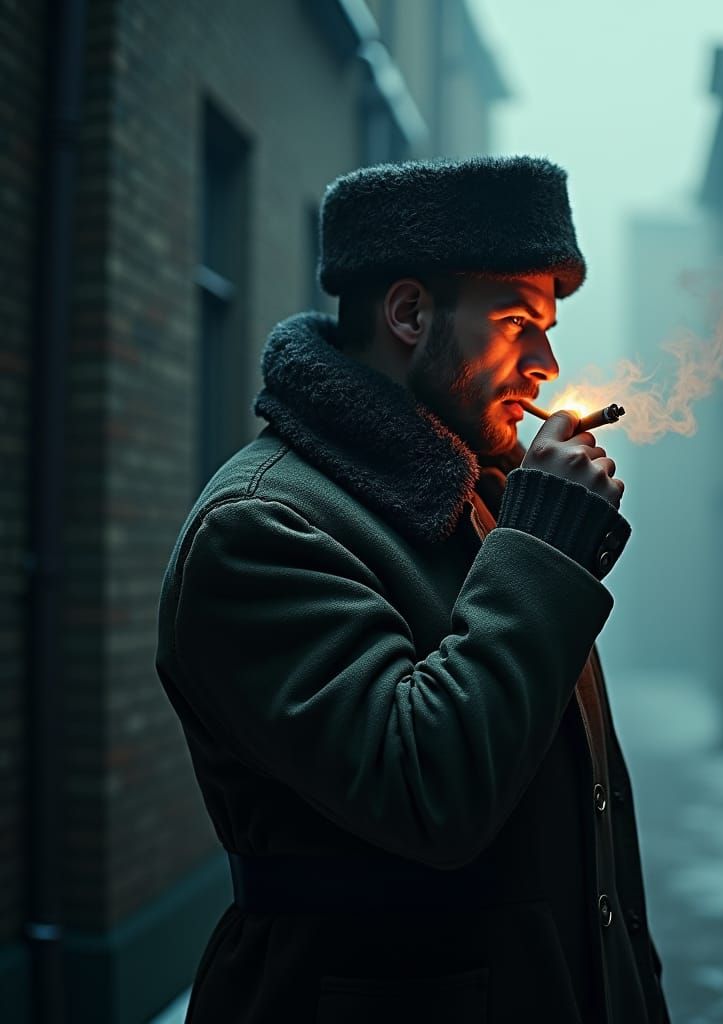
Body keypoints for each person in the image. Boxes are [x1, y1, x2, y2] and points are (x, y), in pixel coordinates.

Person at [156, 155, 670, 1024]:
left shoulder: (483, 500)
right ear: (408, 313)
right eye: (516, 322)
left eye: (546, 327)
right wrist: (541, 549)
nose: (545, 362)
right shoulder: (259, 529)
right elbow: (429, 791)